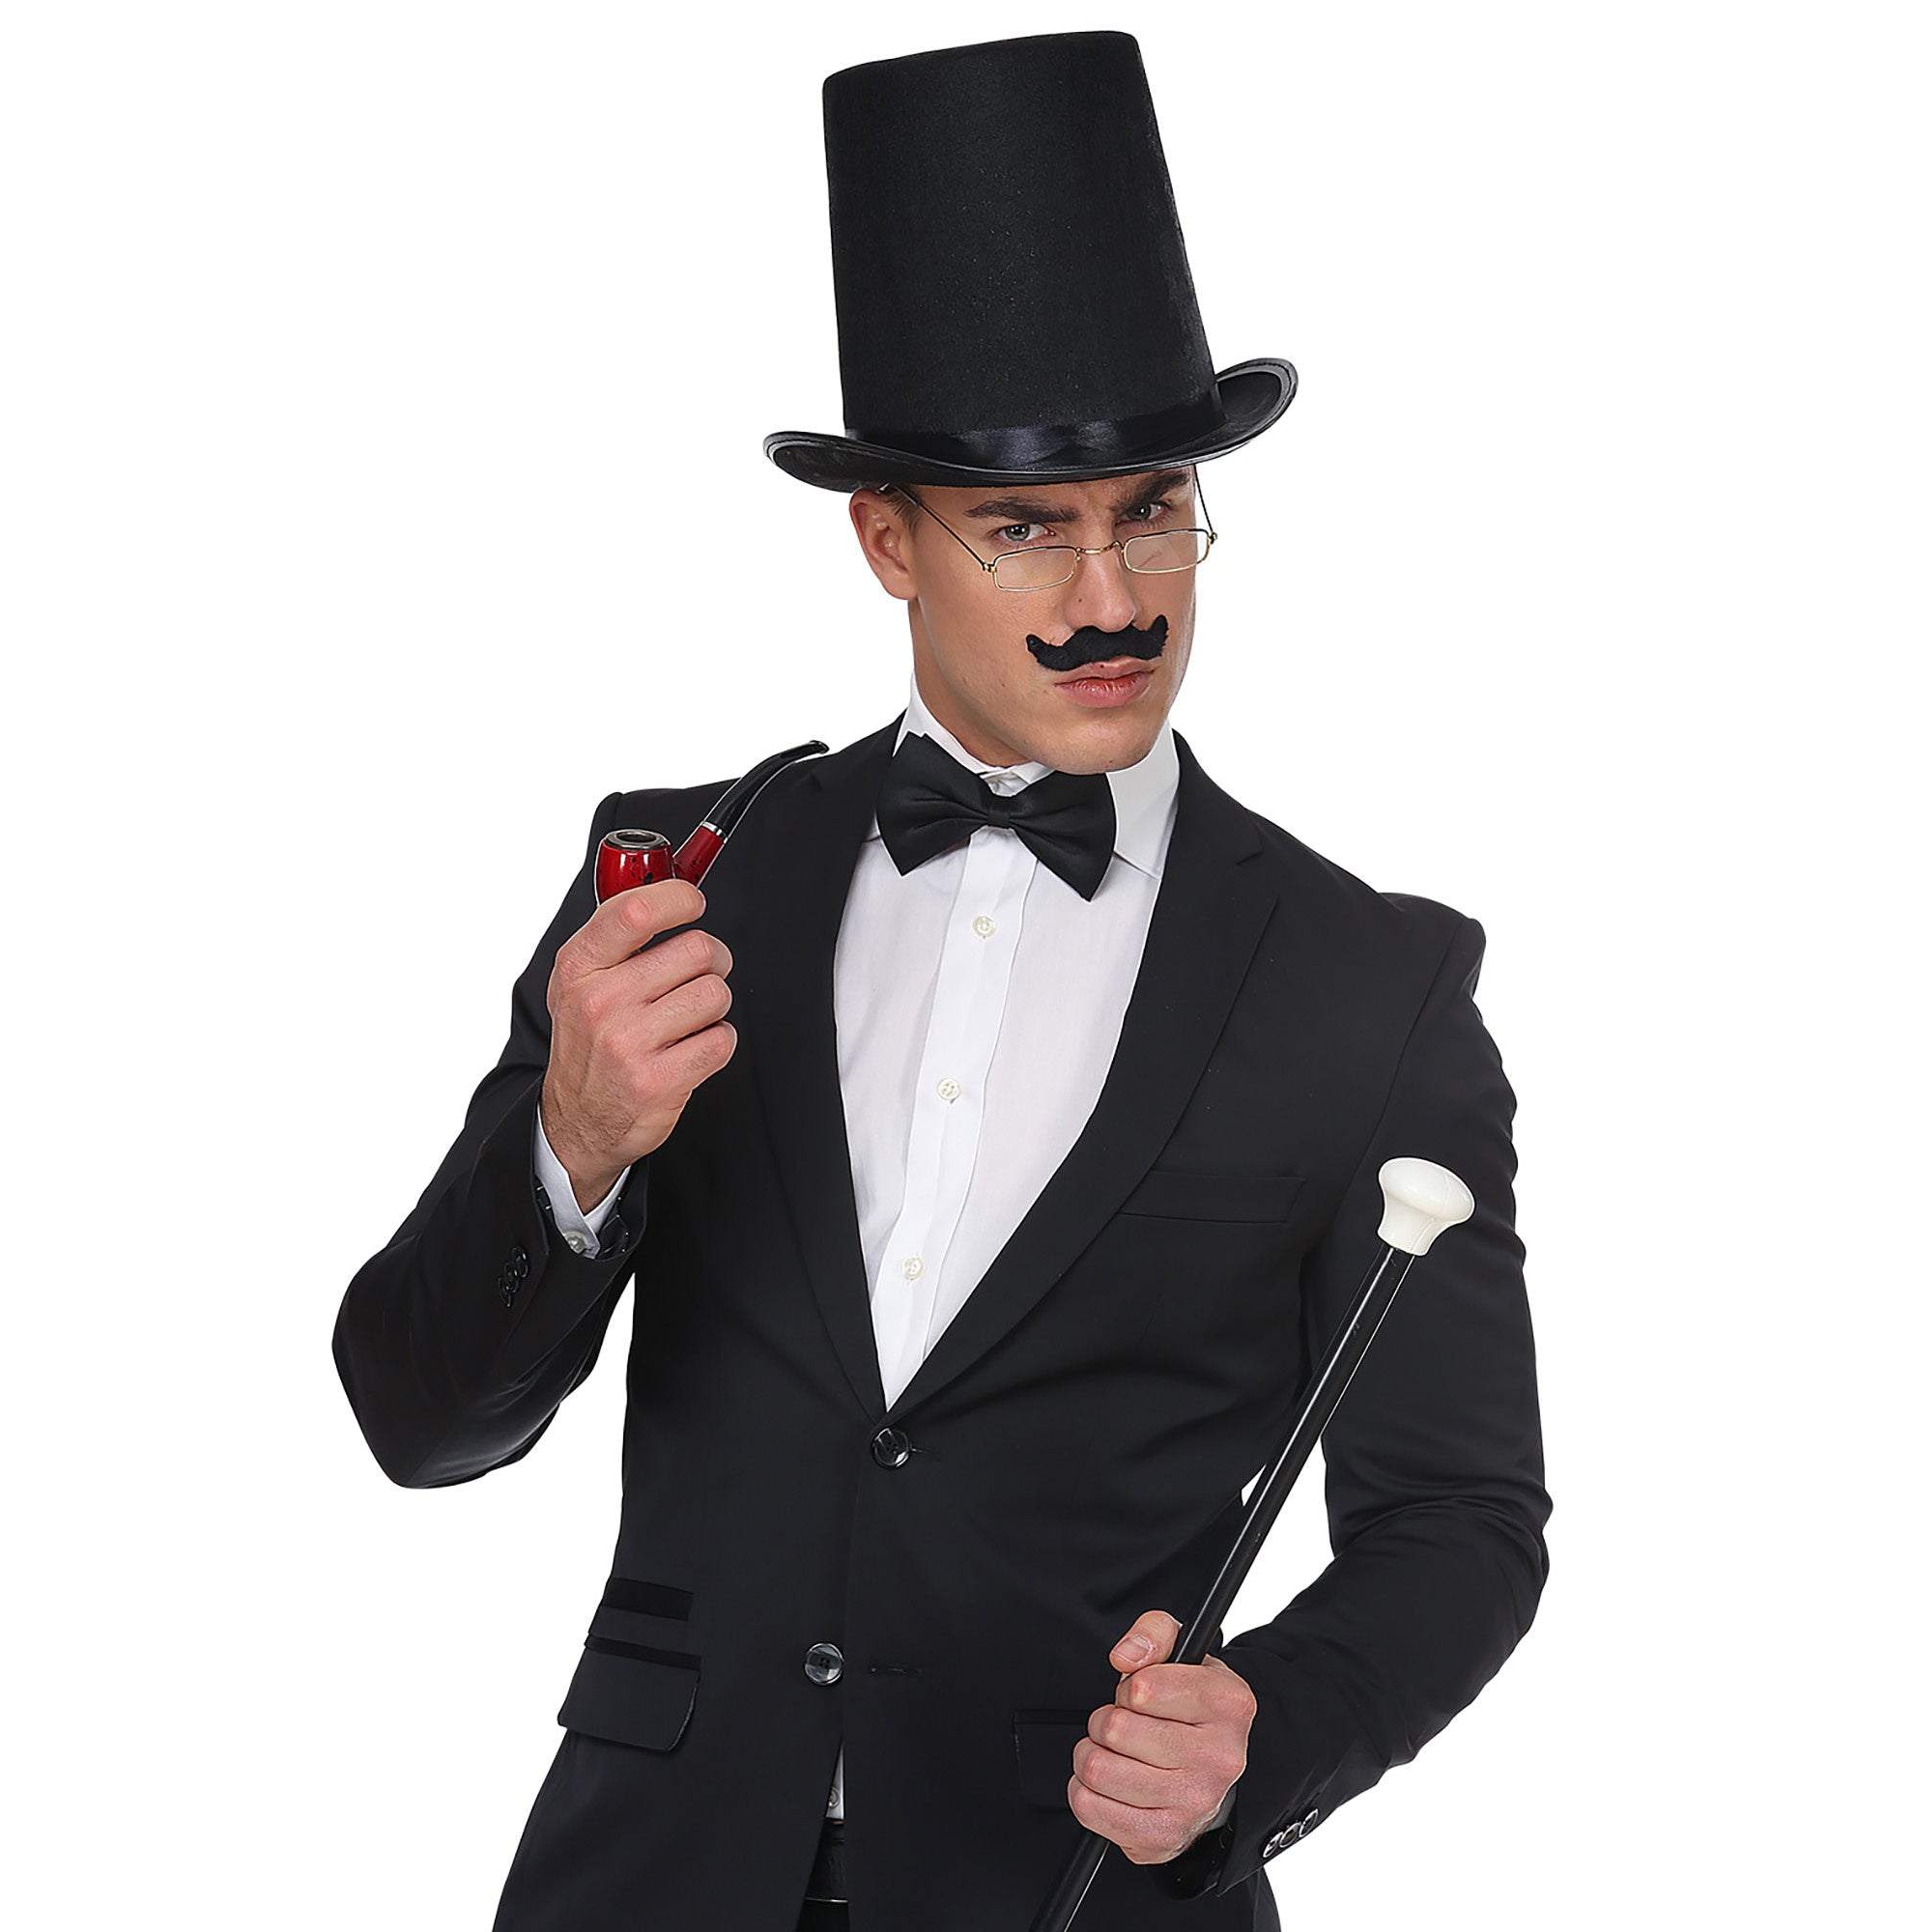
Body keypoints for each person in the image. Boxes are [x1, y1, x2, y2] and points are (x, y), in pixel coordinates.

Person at [331, 31, 1550, 1932]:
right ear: (886, 541)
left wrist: (1262, 1736)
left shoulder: (1367, 982)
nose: (1112, 596)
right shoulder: (682, 880)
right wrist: (572, 1148)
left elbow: (1460, 1521)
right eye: (1027, 528)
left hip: (1079, 1889)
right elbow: (420, 1418)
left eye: (1153, 509)